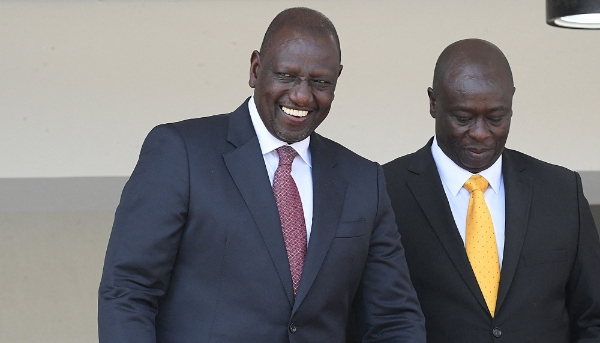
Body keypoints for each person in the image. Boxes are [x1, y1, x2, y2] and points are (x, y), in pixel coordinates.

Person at [98, 7, 425, 343]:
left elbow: (393, 319)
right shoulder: (180, 153)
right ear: (256, 69)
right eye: (286, 75)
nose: (301, 95)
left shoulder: (362, 181)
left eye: (320, 82)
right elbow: (128, 291)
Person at [383, 38, 600, 342]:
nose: (481, 133)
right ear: (433, 103)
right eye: (463, 118)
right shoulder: (384, 192)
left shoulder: (562, 192)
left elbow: (592, 317)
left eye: (496, 118)